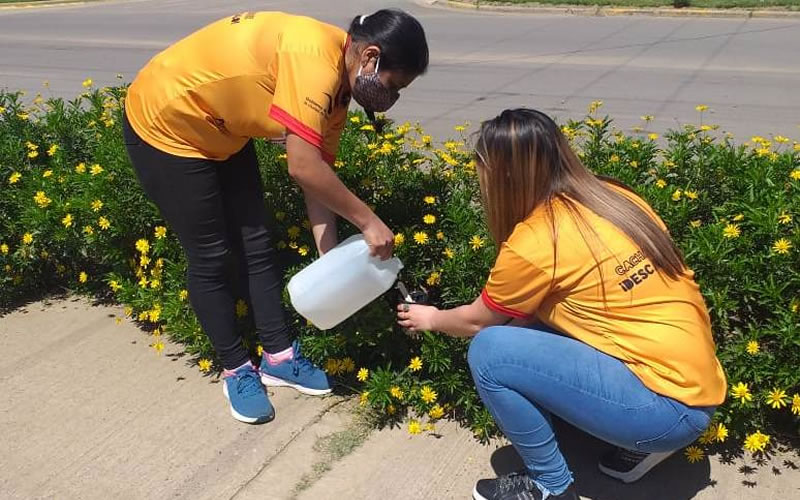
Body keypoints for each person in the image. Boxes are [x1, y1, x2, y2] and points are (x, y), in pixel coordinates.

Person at [397, 109, 726, 500]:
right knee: (529, 327)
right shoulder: (614, 197)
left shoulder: (537, 240)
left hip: (665, 410)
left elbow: (477, 323)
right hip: (697, 385)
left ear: (504, 175)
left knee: (490, 352)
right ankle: (640, 444)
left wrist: (431, 318)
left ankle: (550, 486)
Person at [123, 9, 428, 424]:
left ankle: (279, 358)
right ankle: (236, 369)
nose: (392, 98)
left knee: (257, 241)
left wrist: (332, 263)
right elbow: (302, 167)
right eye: (394, 85)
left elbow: (318, 177)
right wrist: (369, 222)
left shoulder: (339, 88)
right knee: (211, 255)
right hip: (167, 123)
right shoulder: (314, 60)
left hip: (223, 128)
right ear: (370, 57)